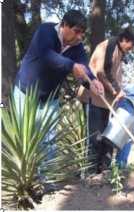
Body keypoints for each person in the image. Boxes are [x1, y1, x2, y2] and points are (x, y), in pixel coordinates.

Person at [14, 10, 103, 161]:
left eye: (82, 33)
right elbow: (46, 55)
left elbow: (83, 68)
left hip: (50, 100)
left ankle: (48, 183)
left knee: (49, 143)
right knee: (22, 140)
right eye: (76, 31)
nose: (79, 37)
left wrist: (92, 81)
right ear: (64, 25)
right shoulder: (46, 31)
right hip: (25, 93)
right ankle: (22, 183)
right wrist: (72, 66)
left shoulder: (78, 47)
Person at [77, 27, 134, 173]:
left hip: (108, 102)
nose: (130, 49)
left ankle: (104, 169)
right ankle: (91, 172)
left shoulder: (119, 52)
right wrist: (113, 90)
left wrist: (118, 91)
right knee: (95, 136)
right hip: (94, 98)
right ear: (124, 40)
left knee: (109, 136)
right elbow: (100, 73)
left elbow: (113, 75)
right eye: (131, 45)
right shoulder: (108, 46)